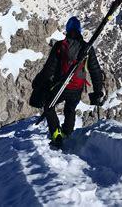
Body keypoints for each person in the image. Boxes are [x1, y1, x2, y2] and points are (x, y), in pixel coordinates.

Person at [33, 16, 105, 147]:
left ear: (67, 29)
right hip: (77, 88)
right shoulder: (87, 48)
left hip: (61, 86)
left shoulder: (60, 46)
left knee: (49, 106)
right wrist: (97, 91)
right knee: (70, 110)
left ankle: (56, 135)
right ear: (80, 30)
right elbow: (95, 71)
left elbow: (48, 69)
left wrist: (38, 82)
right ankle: (67, 133)